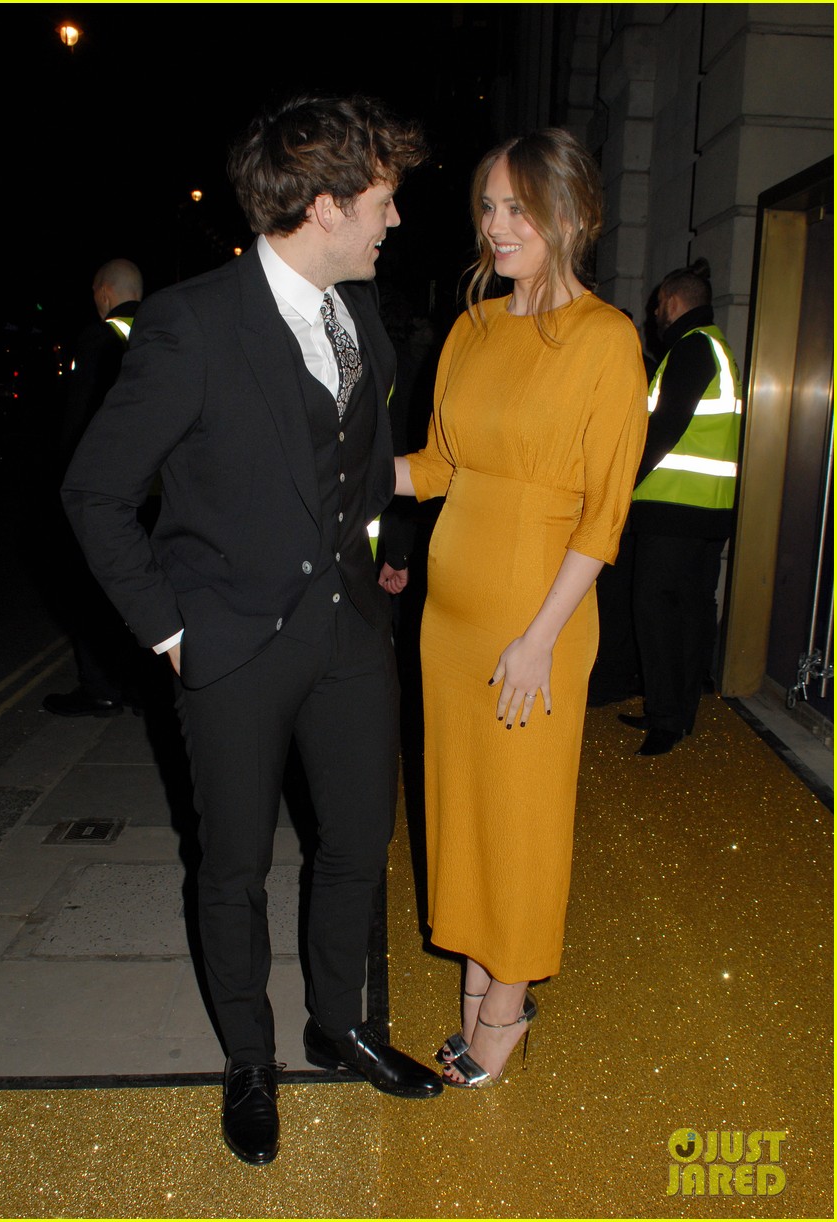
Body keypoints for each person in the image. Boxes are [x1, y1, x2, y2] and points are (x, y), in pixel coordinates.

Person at [62, 95, 439, 1166]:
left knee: (356, 845)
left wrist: (391, 538)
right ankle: (249, 1060)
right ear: (322, 204)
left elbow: (358, 465)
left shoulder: (358, 309)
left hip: (351, 634)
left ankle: (341, 1021)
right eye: (381, 200)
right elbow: (94, 493)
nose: (394, 220)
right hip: (227, 644)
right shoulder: (189, 322)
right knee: (230, 867)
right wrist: (168, 630)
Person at [393, 130, 648, 1088]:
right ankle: (474, 981)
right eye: (488, 208)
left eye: (518, 209)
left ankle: (506, 1005)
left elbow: (603, 511)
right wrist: (340, 475)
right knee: (459, 810)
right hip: (447, 620)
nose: (497, 227)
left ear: (572, 215)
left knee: (521, 815)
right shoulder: (470, 326)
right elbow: (440, 467)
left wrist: (539, 638)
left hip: (537, 623)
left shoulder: (606, 338)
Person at [619, 258, 742, 756]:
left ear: (674, 301)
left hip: (673, 512)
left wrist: (621, 485)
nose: (654, 315)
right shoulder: (718, 348)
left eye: (658, 305)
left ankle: (666, 716)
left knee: (657, 612)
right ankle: (679, 712)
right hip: (706, 512)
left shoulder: (692, 349)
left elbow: (663, 429)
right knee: (692, 612)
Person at [43, 258, 146, 717]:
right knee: (145, 586)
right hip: (158, 492)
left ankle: (100, 686)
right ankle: (144, 686)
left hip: (110, 492)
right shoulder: (166, 330)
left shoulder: (99, 337)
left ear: (105, 293)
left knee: (92, 587)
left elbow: (79, 421)